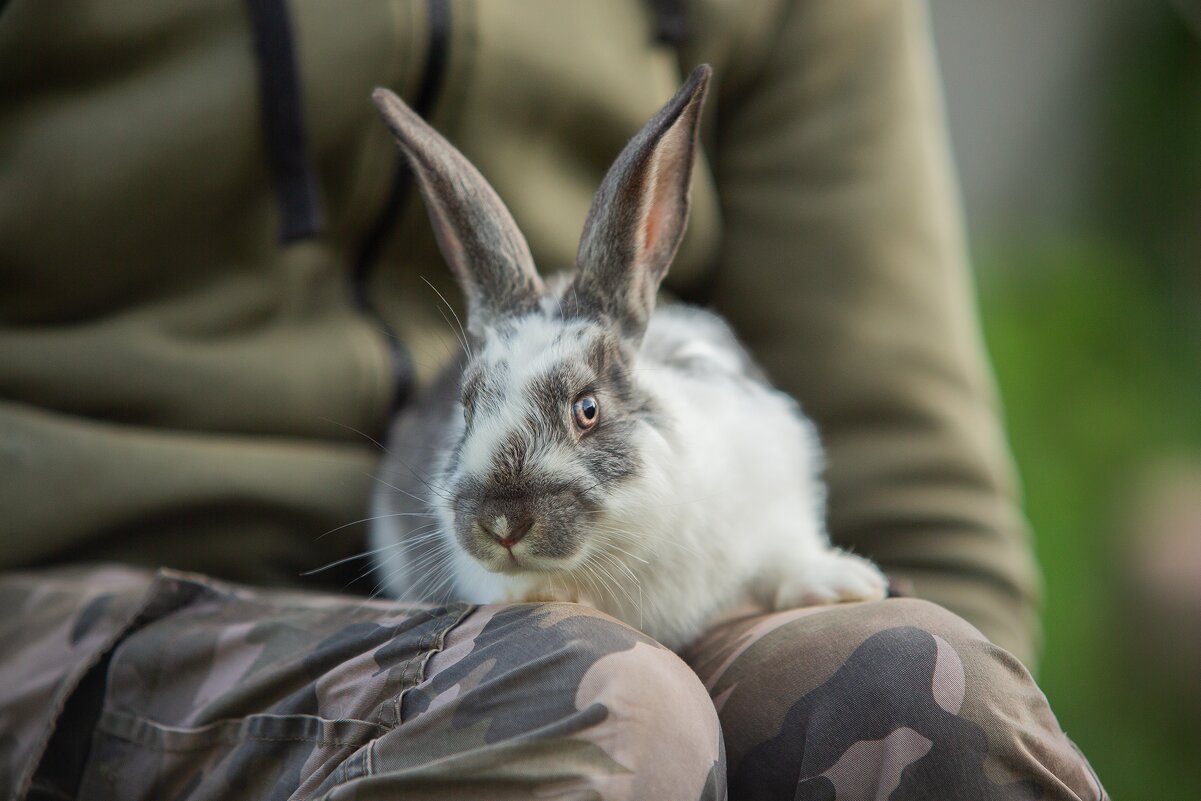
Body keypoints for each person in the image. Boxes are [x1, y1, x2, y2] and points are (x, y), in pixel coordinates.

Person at [0, 0, 1106, 798]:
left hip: (643, 591)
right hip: (77, 591)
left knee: (914, 691)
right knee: (602, 709)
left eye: (580, 415)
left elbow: (896, 450)